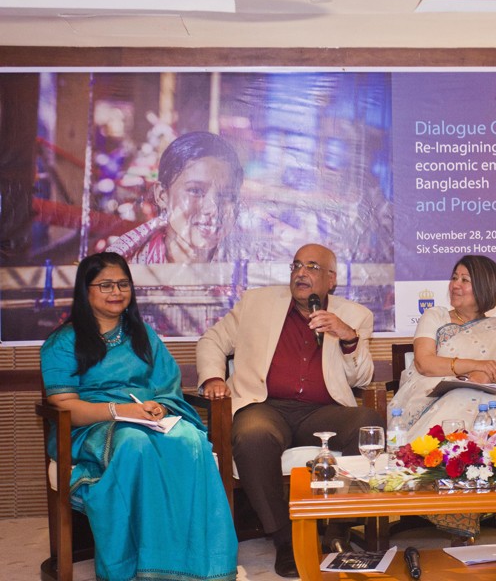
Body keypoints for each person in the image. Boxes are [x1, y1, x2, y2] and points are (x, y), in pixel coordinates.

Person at [40, 252, 237, 581]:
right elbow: (65, 406)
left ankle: (201, 566)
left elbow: (167, 386)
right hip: (94, 426)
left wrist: (161, 406)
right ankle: (139, 567)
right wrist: (121, 412)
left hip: (148, 417)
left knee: (193, 442)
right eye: (105, 285)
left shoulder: (143, 335)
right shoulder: (63, 342)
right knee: (135, 445)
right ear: (84, 291)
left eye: (123, 284)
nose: (116, 291)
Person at [196, 243, 382, 578]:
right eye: (296, 265)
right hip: (264, 405)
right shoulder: (257, 303)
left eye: (312, 267)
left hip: (322, 410)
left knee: (368, 422)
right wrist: (213, 377)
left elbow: (362, 377)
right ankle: (284, 539)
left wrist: (348, 337)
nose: (301, 273)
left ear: (331, 280)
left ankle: (337, 529)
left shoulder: (354, 315)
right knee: (253, 435)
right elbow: (212, 340)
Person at [388, 254, 496, 538]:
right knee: (465, 394)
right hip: (423, 399)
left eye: (465, 280)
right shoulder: (435, 316)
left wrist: (491, 374)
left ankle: (463, 499)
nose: (455, 285)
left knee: (474, 398)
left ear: (485, 288)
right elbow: (425, 362)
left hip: (481, 402)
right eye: (454, 278)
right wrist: (474, 366)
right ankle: (444, 493)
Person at [107, 131, 243, 263]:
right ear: (162, 196)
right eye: (195, 190)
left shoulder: (254, 266)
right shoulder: (123, 269)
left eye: (227, 195)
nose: (212, 209)